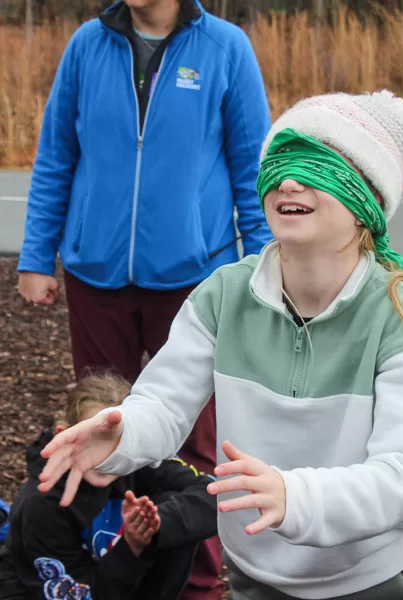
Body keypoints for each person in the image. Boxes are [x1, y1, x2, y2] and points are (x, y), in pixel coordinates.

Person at [36, 90, 403, 600]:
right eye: (278, 160)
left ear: (367, 199)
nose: (286, 179)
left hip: (377, 579)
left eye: (316, 164)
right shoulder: (224, 294)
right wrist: (122, 436)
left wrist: (296, 495)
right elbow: (164, 405)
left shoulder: (396, 315)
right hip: (257, 576)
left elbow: (402, 480)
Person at [16, 0, 272, 596]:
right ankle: (102, 568)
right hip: (94, 272)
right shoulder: (87, 44)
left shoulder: (226, 47)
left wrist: (261, 272)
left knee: (191, 444)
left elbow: (250, 166)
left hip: (192, 277)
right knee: (102, 425)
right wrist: (37, 256)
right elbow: (56, 155)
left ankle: (198, 582)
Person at [0, 373, 218, 599]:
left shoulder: (141, 458)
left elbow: (216, 494)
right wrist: (131, 546)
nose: (104, 457)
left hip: (127, 583)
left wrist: (156, 525)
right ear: (65, 434)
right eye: (95, 440)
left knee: (180, 507)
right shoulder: (42, 504)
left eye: (115, 441)